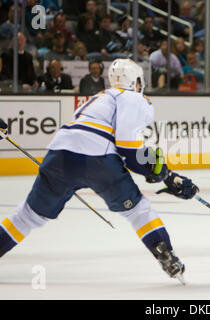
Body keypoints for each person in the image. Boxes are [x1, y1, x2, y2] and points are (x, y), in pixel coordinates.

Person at [0, 59, 199, 283]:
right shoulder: (134, 98)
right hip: (99, 158)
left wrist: (163, 174)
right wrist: (164, 175)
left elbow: (121, 148)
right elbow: (128, 150)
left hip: (60, 154)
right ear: (135, 81)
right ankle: (166, 255)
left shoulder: (99, 97)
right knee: (138, 211)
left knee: (26, 216)